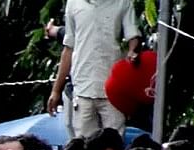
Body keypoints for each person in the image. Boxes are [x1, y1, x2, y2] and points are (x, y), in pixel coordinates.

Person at [48, 0, 140, 137]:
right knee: (83, 142)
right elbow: (69, 47)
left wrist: (133, 51)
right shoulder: (74, 3)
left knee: (115, 140)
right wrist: (56, 90)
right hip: (82, 84)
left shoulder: (123, 2)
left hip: (113, 87)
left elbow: (133, 35)